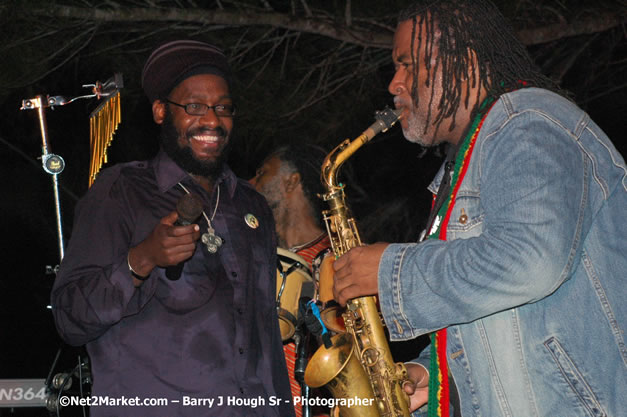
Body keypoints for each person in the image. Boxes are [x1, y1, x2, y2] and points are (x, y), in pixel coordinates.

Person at [332, 1, 627, 417]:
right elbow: (499, 317)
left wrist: (388, 271)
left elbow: (530, 260)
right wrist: (430, 374)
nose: (394, 83)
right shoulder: (468, 159)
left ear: (464, 62)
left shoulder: (528, 122)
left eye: (407, 64)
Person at [50, 40, 294, 417]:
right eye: (194, 107)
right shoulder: (121, 192)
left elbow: (264, 339)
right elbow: (69, 318)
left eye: (223, 108)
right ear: (161, 111)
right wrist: (141, 260)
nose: (212, 121)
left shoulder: (251, 205)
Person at [250, 143, 332, 417]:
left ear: (291, 181)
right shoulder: (253, 255)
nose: (251, 183)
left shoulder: (339, 258)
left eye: (262, 173)